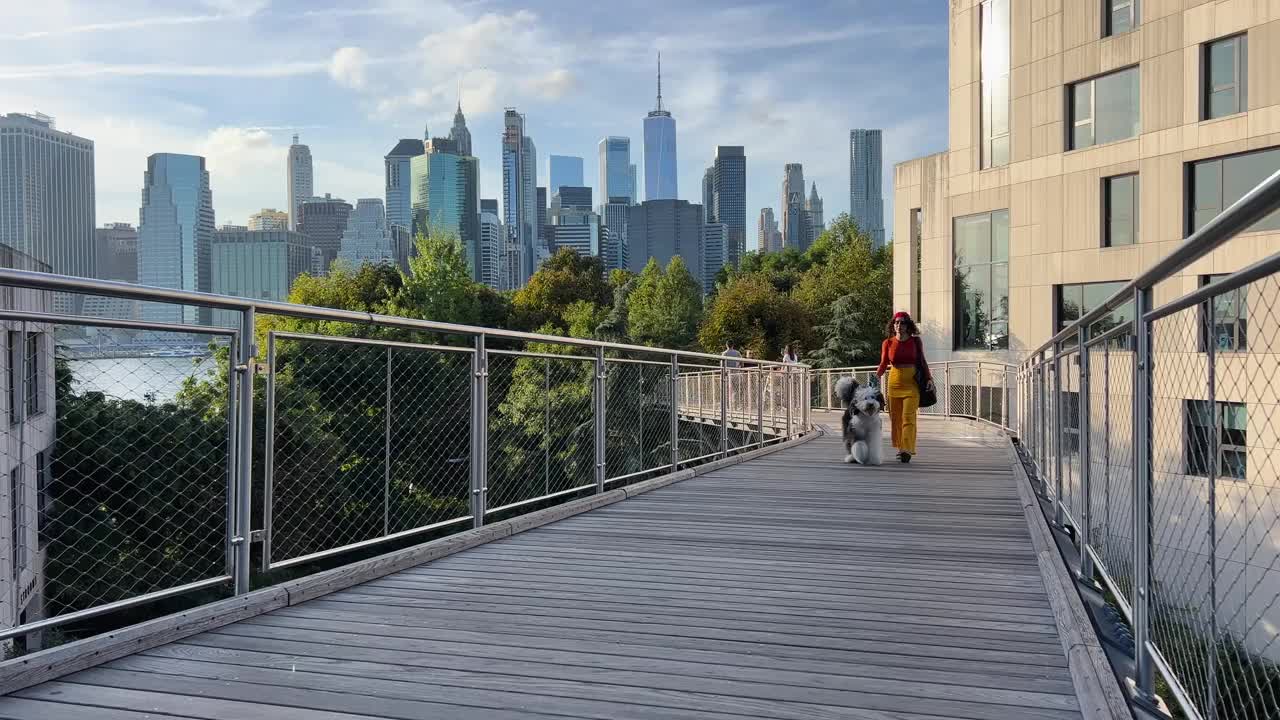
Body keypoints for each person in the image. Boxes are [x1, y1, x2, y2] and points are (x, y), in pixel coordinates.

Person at [876, 311, 932, 463]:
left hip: (912, 383)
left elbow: (922, 360)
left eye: (902, 323)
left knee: (908, 417)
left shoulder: (915, 342)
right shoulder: (887, 343)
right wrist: (877, 377)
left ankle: (907, 449)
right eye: (896, 323)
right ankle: (901, 447)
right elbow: (883, 363)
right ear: (893, 325)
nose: (899, 325)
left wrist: (929, 378)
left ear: (908, 326)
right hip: (894, 382)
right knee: (896, 418)